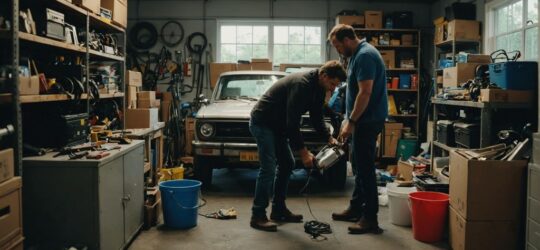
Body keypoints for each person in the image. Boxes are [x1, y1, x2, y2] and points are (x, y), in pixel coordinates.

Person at [249, 60, 347, 232]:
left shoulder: (319, 87)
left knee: (287, 164)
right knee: (269, 168)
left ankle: (278, 210)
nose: (332, 89)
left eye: (335, 86)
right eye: (332, 84)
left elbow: (317, 117)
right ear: (324, 75)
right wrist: (304, 153)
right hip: (262, 122)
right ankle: (257, 215)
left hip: (277, 125)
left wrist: (329, 137)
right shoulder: (302, 85)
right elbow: (292, 124)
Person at [328, 24, 388, 234]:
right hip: (360, 120)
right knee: (358, 166)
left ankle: (370, 218)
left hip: (367, 120)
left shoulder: (365, 56)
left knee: (364, 169)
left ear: (346, 40)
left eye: (336, 45)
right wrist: (348, 119)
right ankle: (355, 208)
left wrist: (351, 121)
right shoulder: (355, 55)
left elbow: (365, 93)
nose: (337, 50)